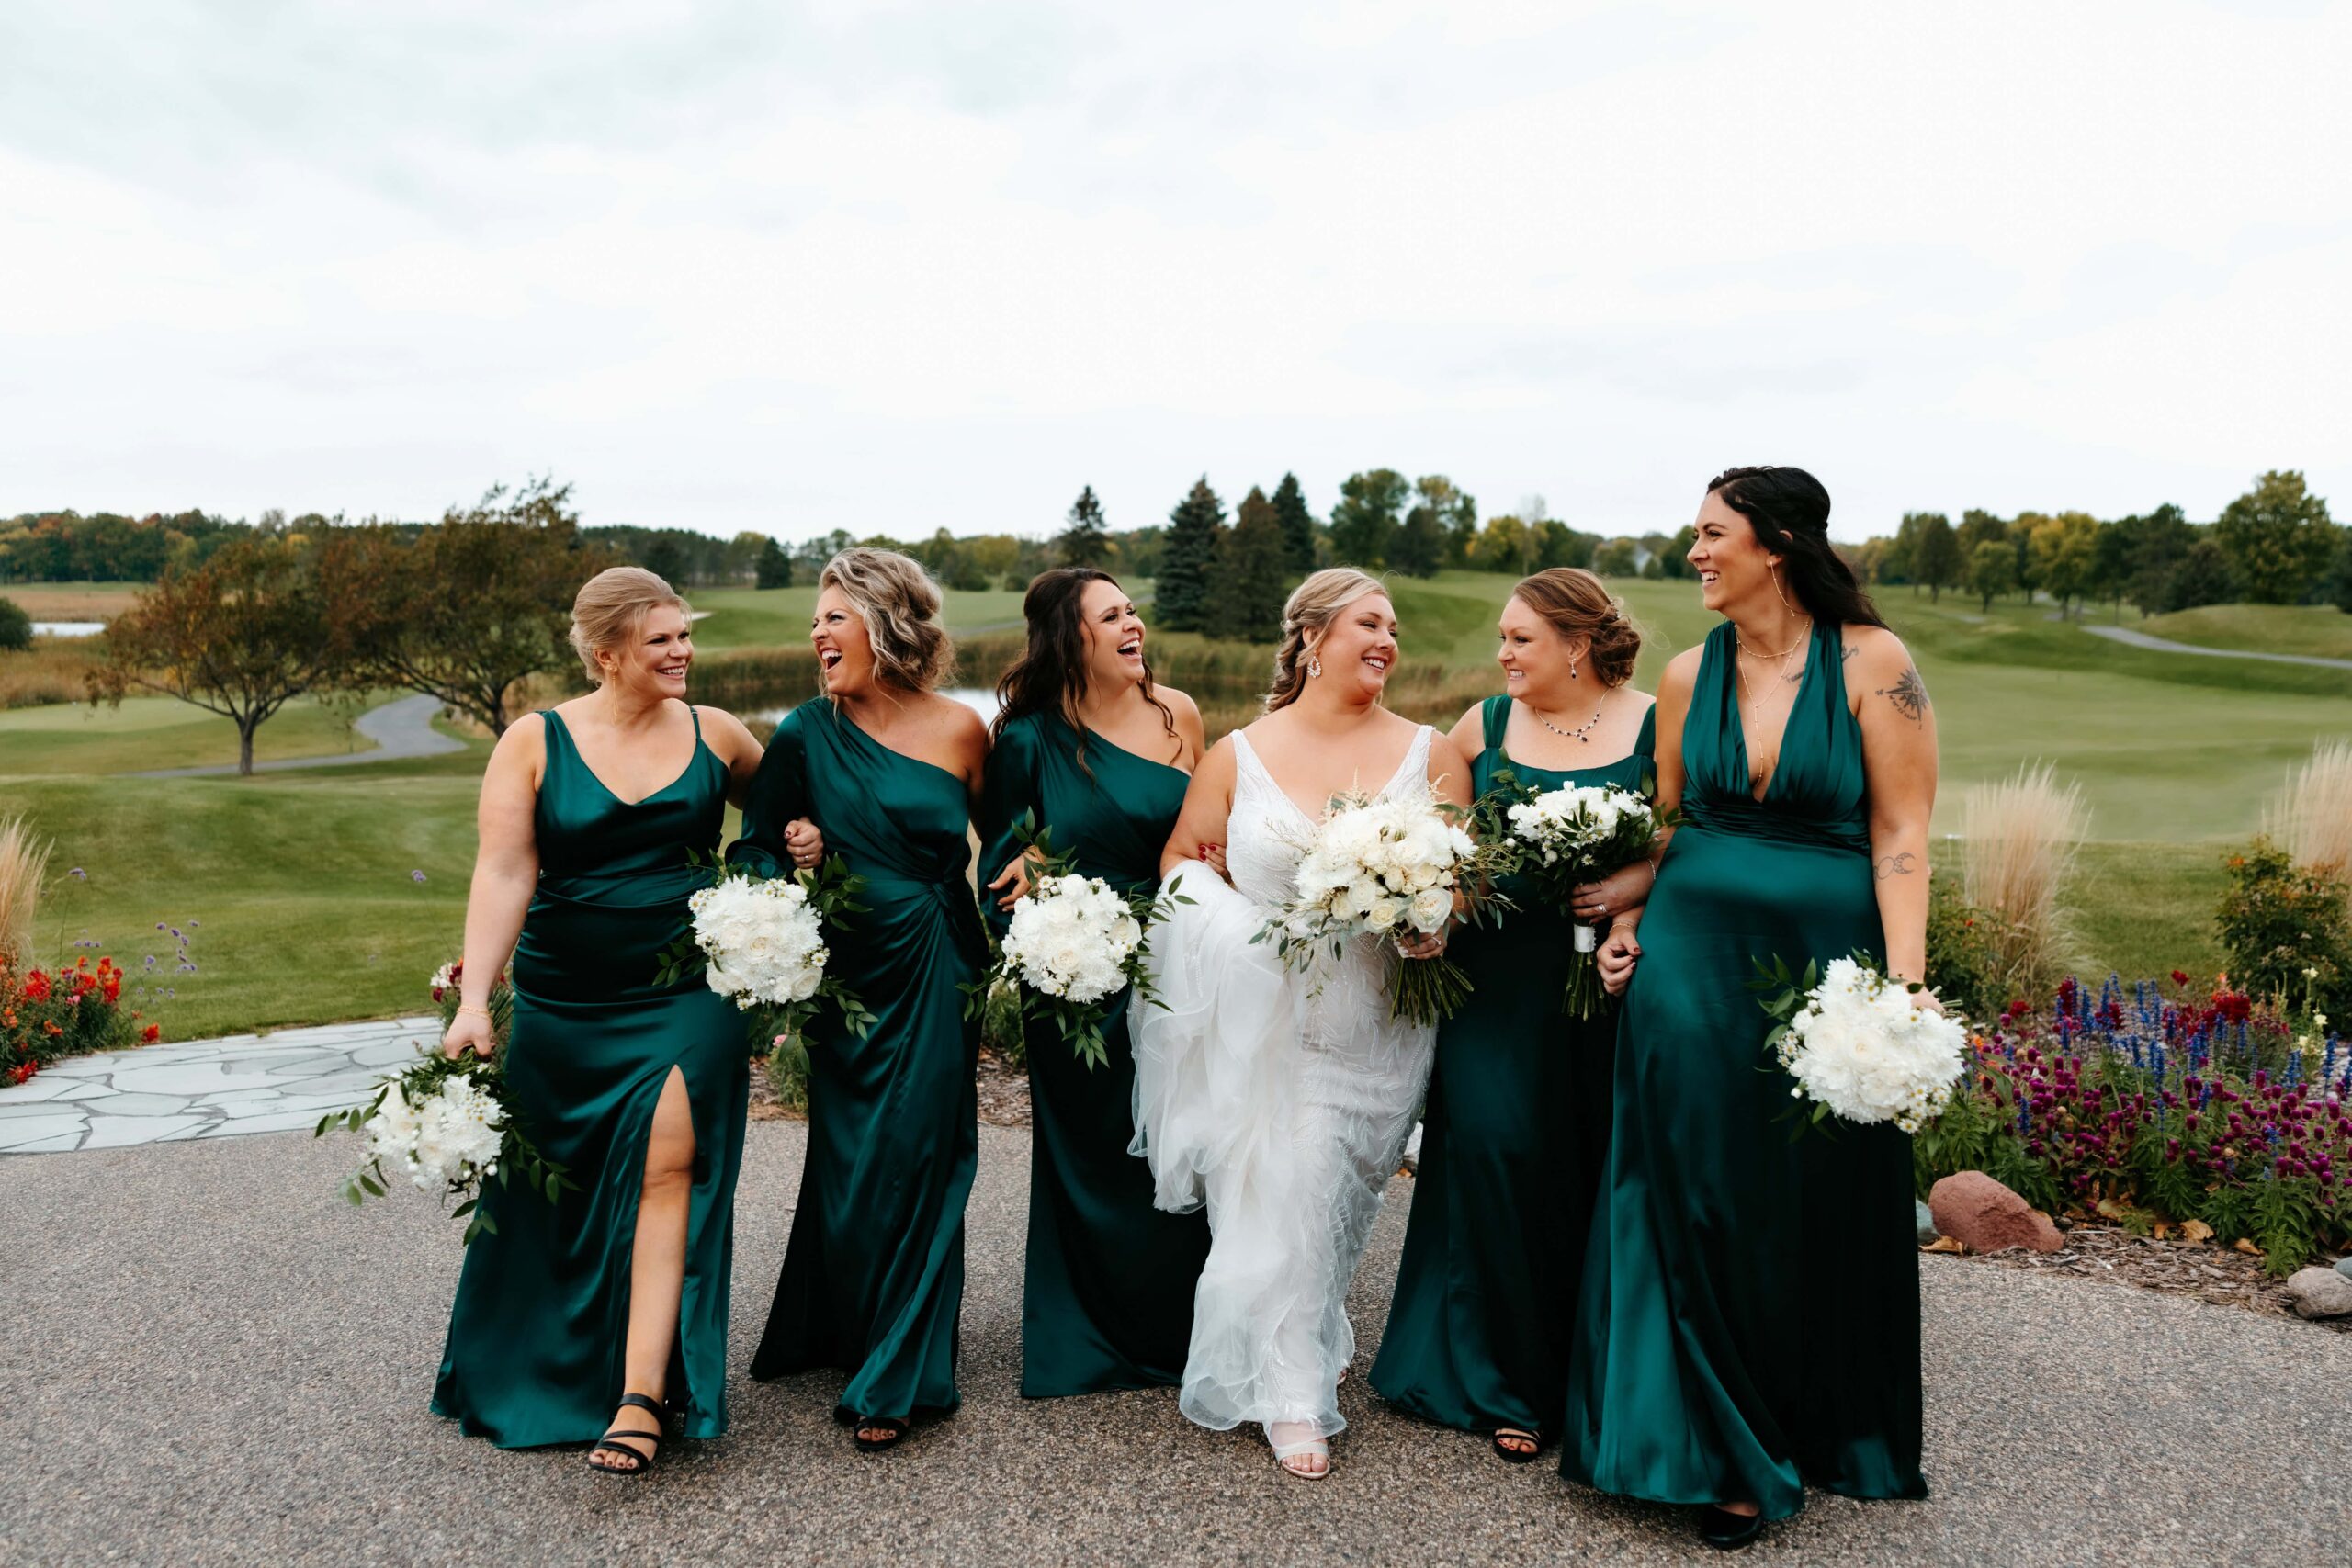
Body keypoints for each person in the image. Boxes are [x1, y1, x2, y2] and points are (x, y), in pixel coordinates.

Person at [1566, 466, 1938, 1550]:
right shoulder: (1687, 674)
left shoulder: (1874, 663)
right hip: (1690, 961)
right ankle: (1703, 1449)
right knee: (1686, 1182)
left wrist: (1901, 990)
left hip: (1826, 969)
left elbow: (1902, 834)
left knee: (1802, 1191)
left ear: (1774, 544)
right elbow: (1669, 823)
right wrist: (1629, 914)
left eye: (1710, 533)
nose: (1694, 553)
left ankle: (1810, 1423)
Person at [1131, 567, 1474, 1481]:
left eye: (1394, 628)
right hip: (1276, 1018)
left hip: (1387, 1021)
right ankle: (1292, 1398)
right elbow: (1179, 862)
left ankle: (1306, 1339)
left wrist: (1429, 919)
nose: (1388, 641)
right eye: (1369, 622)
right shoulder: (1237, 754)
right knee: (1291, 1190)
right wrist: (1232, 917)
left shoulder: (1429, 752)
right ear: (1313, 638)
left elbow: (1463, 883)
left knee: (1341, 1198)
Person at [434, 566, 766, 1476]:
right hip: (564, 1000)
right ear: (607, 649)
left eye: (685, 636)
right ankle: (541, 1361)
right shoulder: (534, 741)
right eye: (661, 640)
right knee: (557, 1189)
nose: (682, 652)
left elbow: (784, 816)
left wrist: (795, 848)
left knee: (670, 1167)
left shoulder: (719, 734)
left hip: (687, 993)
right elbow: (505, 871)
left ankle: (641, 1396)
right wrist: (475, 998)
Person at [1371, 568, 1655, 1464]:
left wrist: (1630, 891)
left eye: (1519, 639)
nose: (1502, 655)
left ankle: (1584, 1377)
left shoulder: (1653, 722)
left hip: (1603, 987)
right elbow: (1438, 849)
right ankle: (1504, 1383)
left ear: (1576, 642)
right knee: (1494, 1153)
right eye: (1501, 638)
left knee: (1581, 1165)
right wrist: (1418, 914)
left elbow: (1690, 832)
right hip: (1493, 981)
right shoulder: (1483, 726)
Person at [733, 547, 989, 1452]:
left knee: (924, 1155)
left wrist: (1032, 868)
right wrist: (790, 867)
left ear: (884, 624)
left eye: (832, 618)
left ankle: (899, 1369)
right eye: (816, 620)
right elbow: (754, 847)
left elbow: (1001, 853)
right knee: (849, 1162)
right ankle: (843, 1326)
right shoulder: (804, 732)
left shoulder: (963, 730)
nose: (816, 634)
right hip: (846, 982)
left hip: (933, 965)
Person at [977, 568, 1216, 1398]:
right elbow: (997, 873)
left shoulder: (1176, 712)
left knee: (1184, 1148)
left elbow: (1203, 832)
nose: (1133, 624)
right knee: (1093, 1156)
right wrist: (1043, 918)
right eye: (1111, 615)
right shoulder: (1026, 741)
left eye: (1134, 610)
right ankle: (1087, 1338)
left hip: (1179, 963)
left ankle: (1186, 1332)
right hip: (1076, 979)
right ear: (1070, 637)